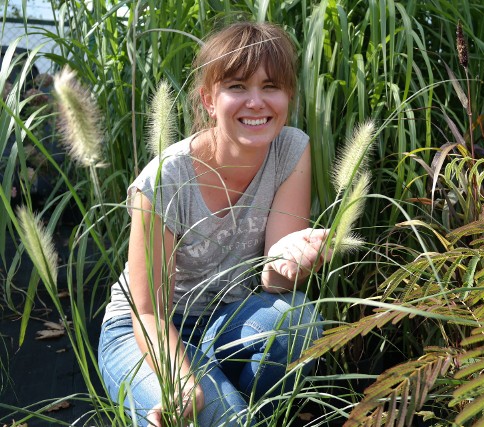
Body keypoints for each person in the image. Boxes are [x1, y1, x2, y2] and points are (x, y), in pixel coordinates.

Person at [98, 21, 330, 427]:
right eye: (237, 87)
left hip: (226, 320)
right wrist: (184, 383)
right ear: (208, 98)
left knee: (298, 320)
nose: (256, 102)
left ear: (288, 96)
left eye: (271, 86)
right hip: (147, 332)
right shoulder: (165, 178)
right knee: (218, 417)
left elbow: (275, 285)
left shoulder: (292, 148)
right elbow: (149, 313)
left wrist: (289, 260)